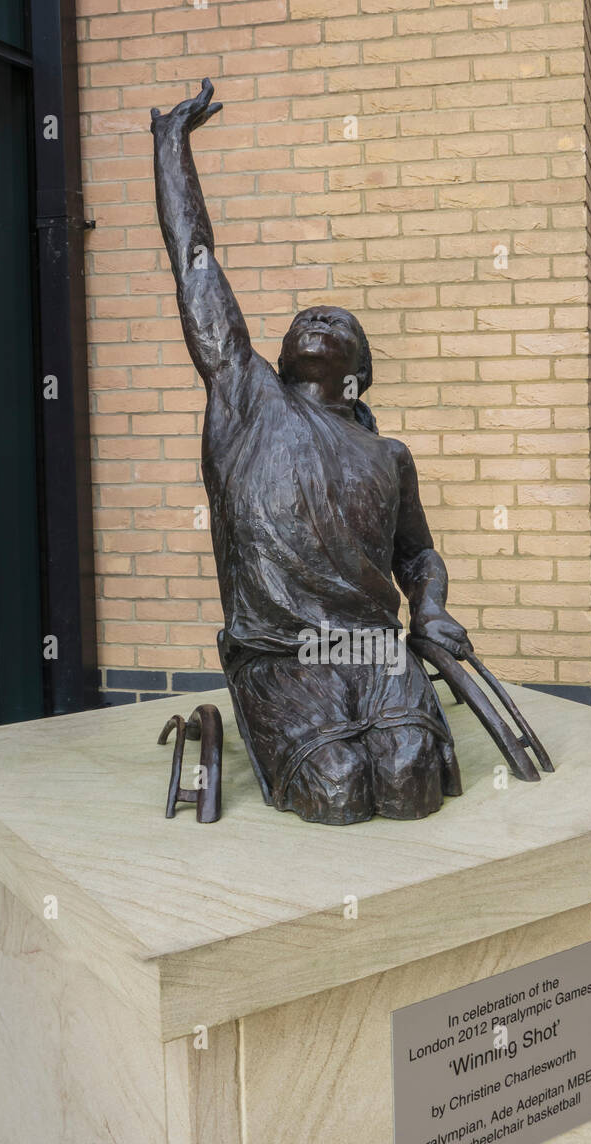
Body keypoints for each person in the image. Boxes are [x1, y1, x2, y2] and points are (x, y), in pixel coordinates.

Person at [151, 79, 467, 825]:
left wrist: (433, 608)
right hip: (279, 652)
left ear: (358, 372)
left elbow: (417, 556)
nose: (319, 316)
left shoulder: (388, 454)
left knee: (410, 774)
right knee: (335, 787)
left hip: (372, 647)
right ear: (283, 358)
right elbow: (194, 260)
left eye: (338, 320)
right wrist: (170, 144)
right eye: (307, 317)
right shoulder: (245, 397)